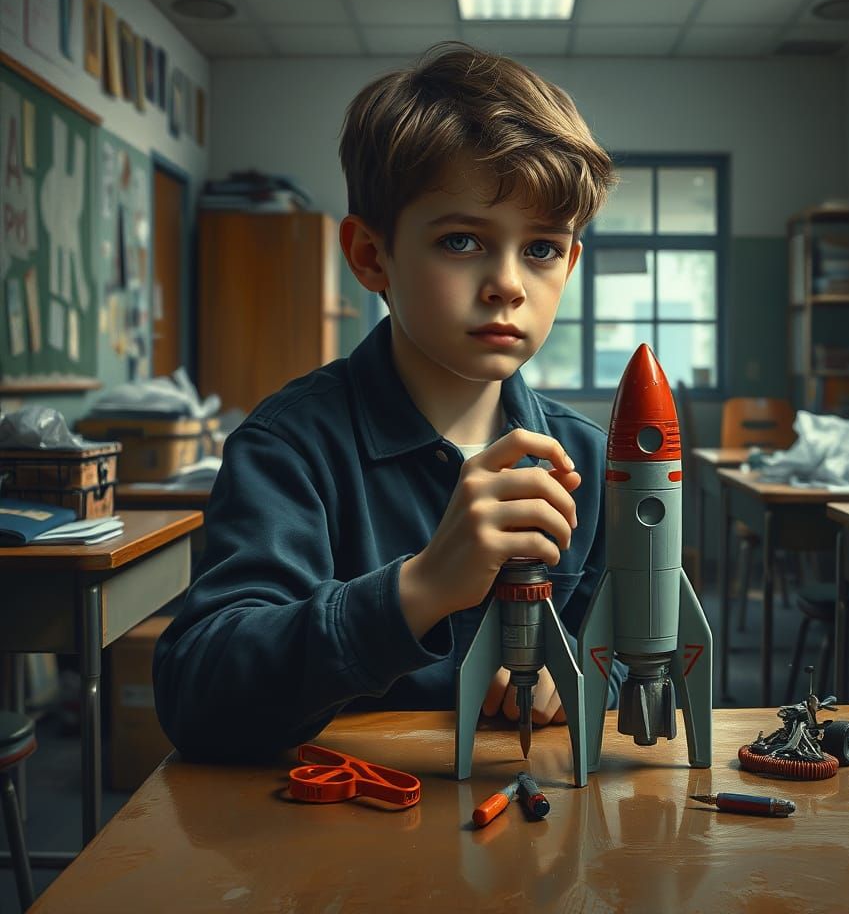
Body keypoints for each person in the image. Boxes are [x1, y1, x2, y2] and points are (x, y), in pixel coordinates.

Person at [154, 42, 624, 761]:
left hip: (530, 844)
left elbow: (635, 654)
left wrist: (588, 680)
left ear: (570, 263)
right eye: (462, 240)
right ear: (372, 256)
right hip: (326, 845)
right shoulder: (289, 448)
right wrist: (419, 588)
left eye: (541, 249)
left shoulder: (587, 459)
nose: (508, 283)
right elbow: (200, 695)